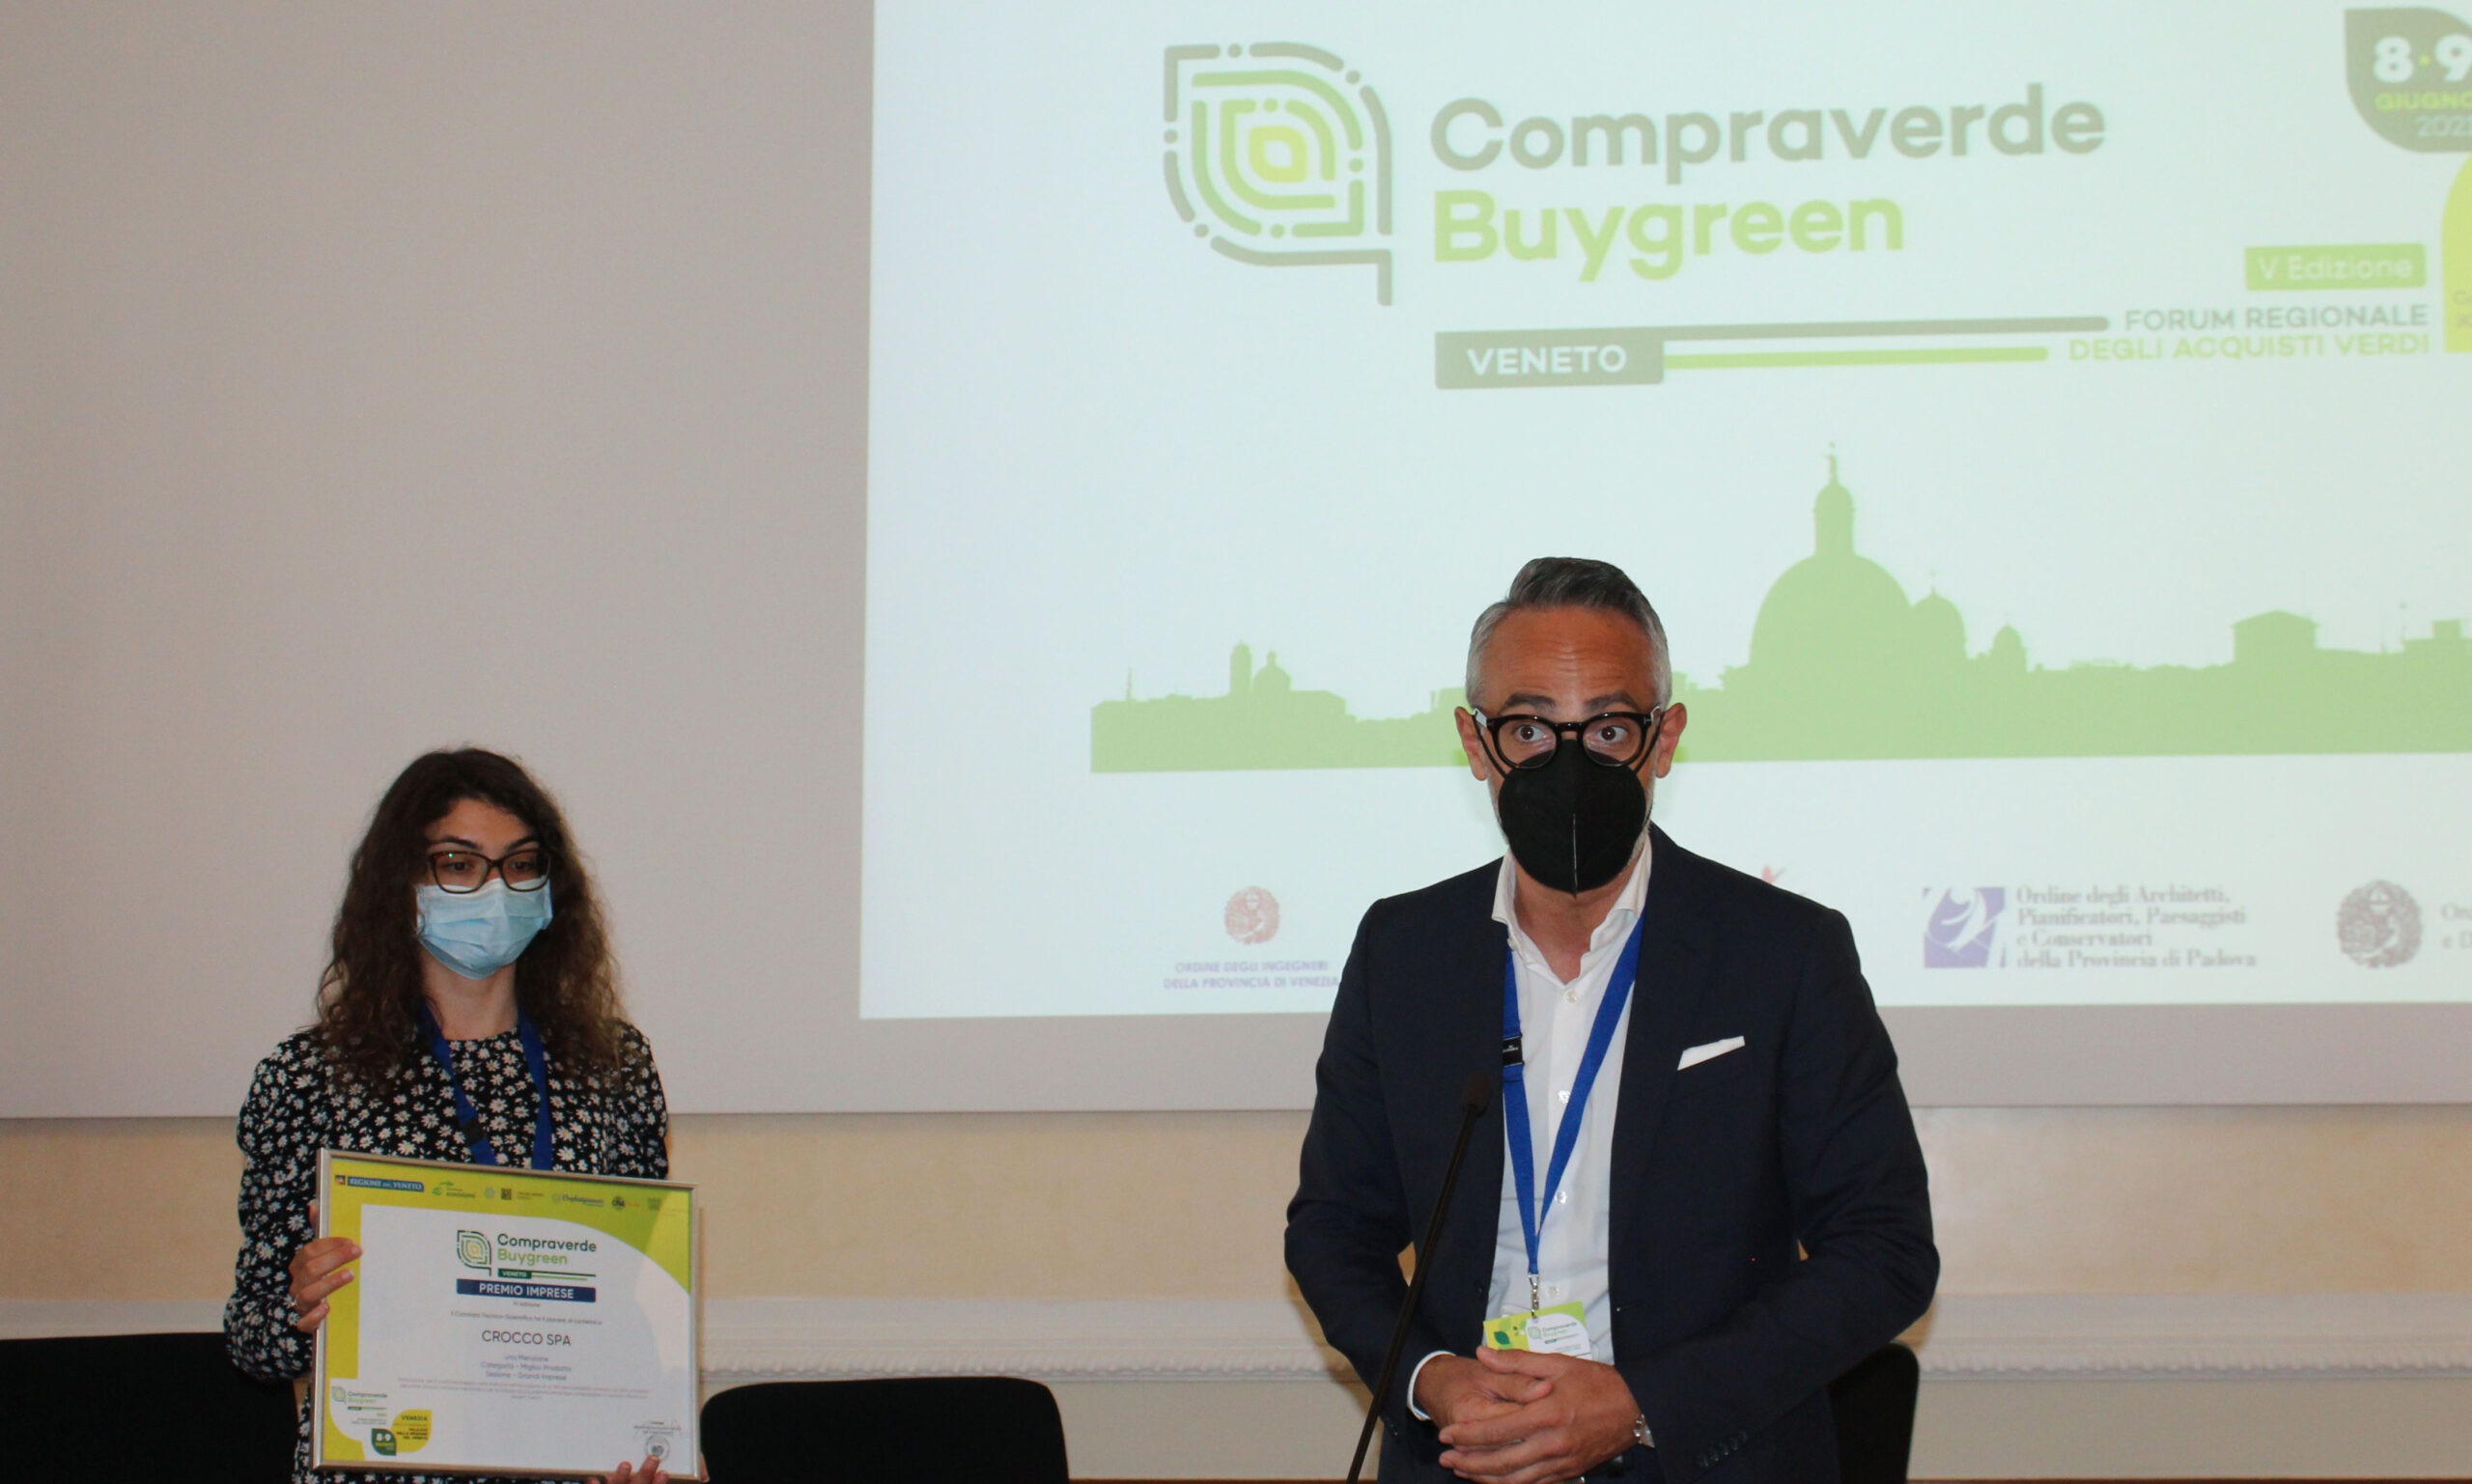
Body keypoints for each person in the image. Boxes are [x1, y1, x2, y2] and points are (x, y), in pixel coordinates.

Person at [1285, 560, 1937, 1484]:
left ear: (1663, 740)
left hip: (1703, 1460)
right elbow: (1333, 1229)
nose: (1569, 762)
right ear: (1476, 743)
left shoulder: (1784, 952)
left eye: (1607, 728)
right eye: (1528, 728)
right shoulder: (1405, 950)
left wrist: (1642, 1405)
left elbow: (1884, 1249)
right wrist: (1434, 1381)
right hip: (1468, 1458)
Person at [225, 748, 673, 1484]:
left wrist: (653, 1441)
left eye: (521, 864)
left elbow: (634, 1299)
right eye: (458, 865)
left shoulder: (612, 1063)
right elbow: (252, 1341)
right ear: (400, 884)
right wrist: (300, 1306)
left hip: (563, 1460)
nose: (496, 888)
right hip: (385, 1462)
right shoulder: (310, 1075)